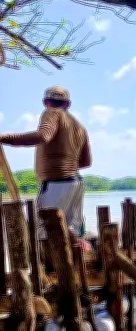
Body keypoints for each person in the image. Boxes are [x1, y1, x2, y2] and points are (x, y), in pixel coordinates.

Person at [0, 86, 92, 249]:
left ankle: (52, 269)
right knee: (71, 231)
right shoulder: (80, 127)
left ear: (45, 102)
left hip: (56, 184)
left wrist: (6, 138)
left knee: (44, 228)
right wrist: (65, 162)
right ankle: (80, 263)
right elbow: (86, 162)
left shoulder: (51, 113)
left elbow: (43, 135)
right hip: (76, 182)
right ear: (68, 104)